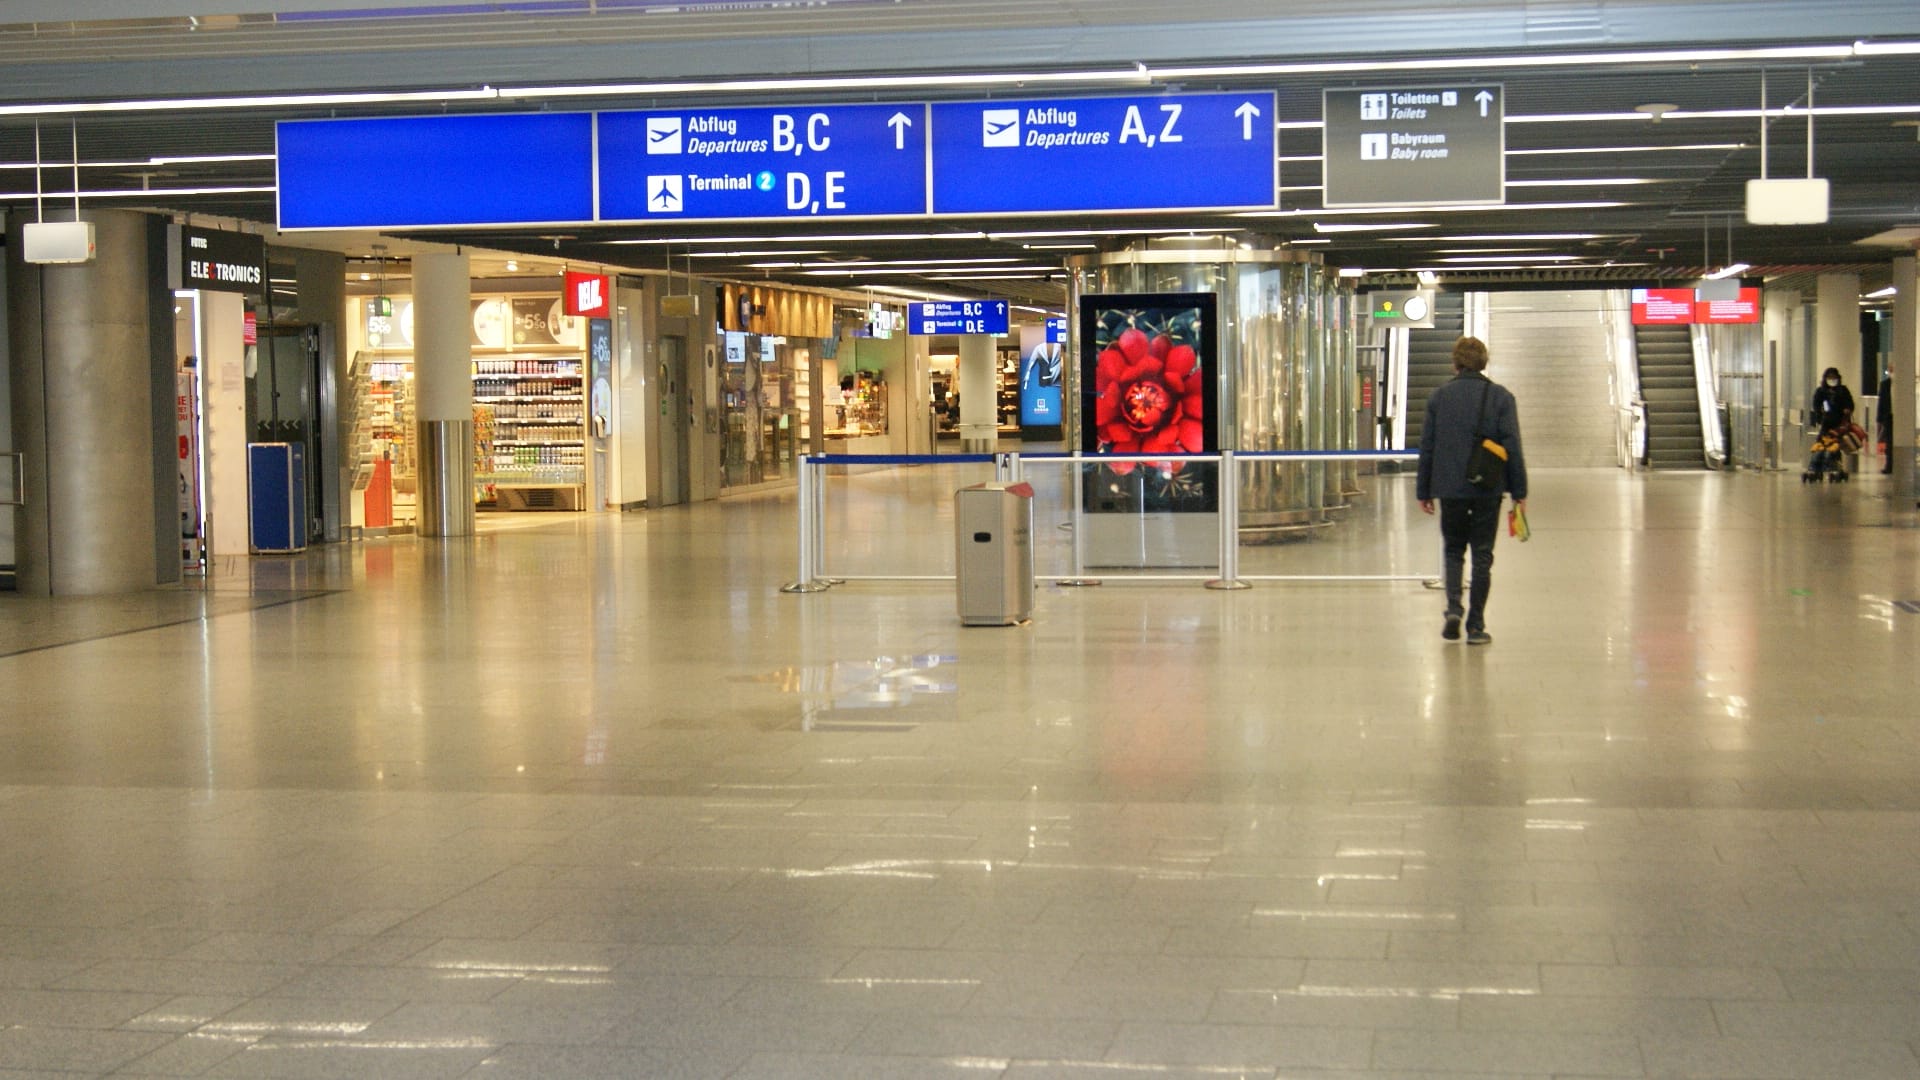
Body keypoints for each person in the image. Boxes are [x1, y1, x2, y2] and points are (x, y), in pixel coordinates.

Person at [1417, 336, 1528, 646]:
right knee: (1482, 555)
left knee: (1453, 550)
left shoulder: (1439, 398)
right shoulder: (1501, 397)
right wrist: (1519, 490)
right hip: (1487, 489)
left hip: (1449, 489)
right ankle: (1476, 626)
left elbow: (1428, 447)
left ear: (1455, 363)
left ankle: (1453, 608)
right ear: (1484, 362)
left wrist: (1423, 490)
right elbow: (1513, 447)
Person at [1807, 367, 1855, 479]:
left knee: (1834, 446)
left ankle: (1834, 467)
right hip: (1826, 423)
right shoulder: (1821, 391)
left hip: (1840, 424)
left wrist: (1847, 409)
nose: (1832, 380)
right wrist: (1819, 416)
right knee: (1821, 445)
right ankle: (1816, 467)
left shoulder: (1843, 390)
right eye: (1830, 378)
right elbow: (1816, 406)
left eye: (1834, 378)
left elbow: (1850, 404)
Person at [1878, 372, 1893, 475]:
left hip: (1903, 417)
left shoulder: (1905, 383)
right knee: (1889, 442)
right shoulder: (1885, 384)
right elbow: (1881, 403)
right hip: (1889, 416)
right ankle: (1889, 465)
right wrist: (1880, 419)